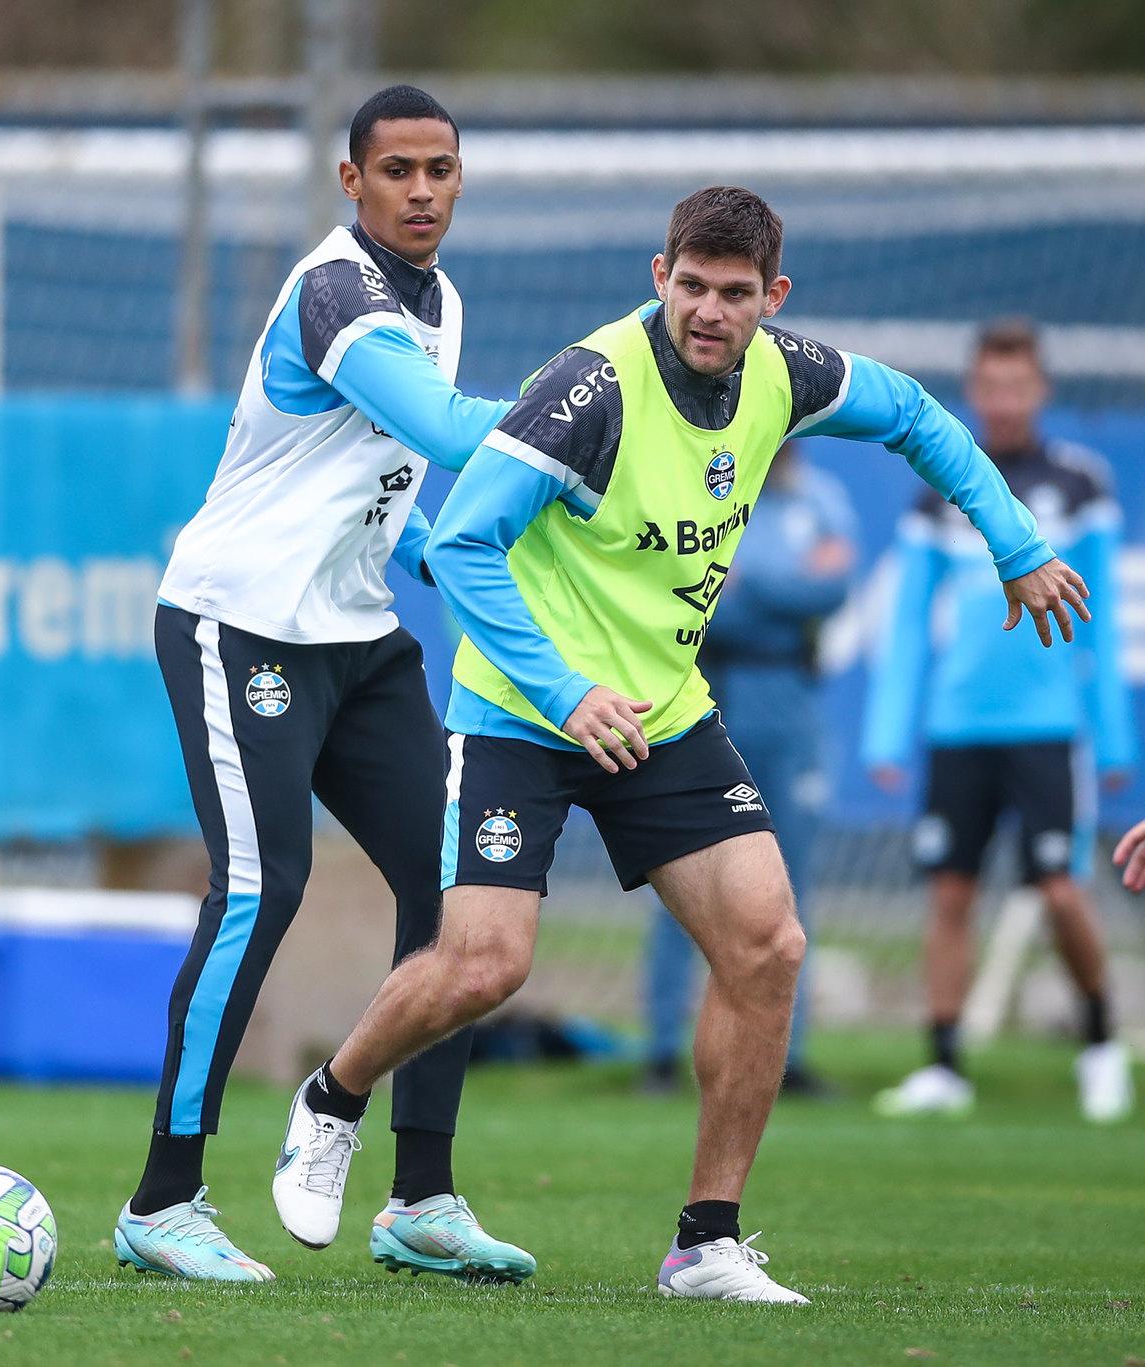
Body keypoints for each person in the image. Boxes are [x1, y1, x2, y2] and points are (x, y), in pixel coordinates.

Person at [274, 186, 1086, 1304]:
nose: (708, 311)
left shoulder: (787, 375)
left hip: (660, 713)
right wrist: (563, 691)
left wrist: (1014, 543)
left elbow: (912, 415)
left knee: (768, 944)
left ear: (772, 297)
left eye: (734, 293)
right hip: (523, 707)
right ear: (659, 275)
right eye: (690, 286)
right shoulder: (586, 388)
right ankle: (331, 1098)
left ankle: (704, 1241)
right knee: (485, 964)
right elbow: (462, 544)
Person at [113, 86, 533, 1285]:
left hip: (355, 634)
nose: (419, 189)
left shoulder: (439, 298)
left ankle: (421, 1195)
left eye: (439, 169)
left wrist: (426, 562)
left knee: (460, 888)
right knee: (261, 885)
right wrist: (596, 415)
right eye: (394, 169)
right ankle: (163, 1197)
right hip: (237, 622)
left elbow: (384, 481)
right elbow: (449, 433)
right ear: (350, 184)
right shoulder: (333, 290)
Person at [864, 319, 1134, 1124]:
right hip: (957, 728)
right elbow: (908, 620)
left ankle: (1099, 1042)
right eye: (991, 385)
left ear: (1040, 390)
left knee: (1059, 888)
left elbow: (1105, 617)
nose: (1004, 399)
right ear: (975, 391)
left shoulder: (1079, 484)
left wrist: (1112, 738)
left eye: (1019, 385)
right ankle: (944, 1064)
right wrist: (887, 732)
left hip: (1047, 726)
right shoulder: (938, 486)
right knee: (950, 892)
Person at [641, 442, 856, 1099]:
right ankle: (661, 1049)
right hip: (708, 695)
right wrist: (785, 583)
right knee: (687, 875)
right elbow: (695, 600)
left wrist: (748, 578)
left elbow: (835, 585)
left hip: (789, 705)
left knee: (791, 884)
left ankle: (789, 1055)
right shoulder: (699, 491)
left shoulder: (821, 499)